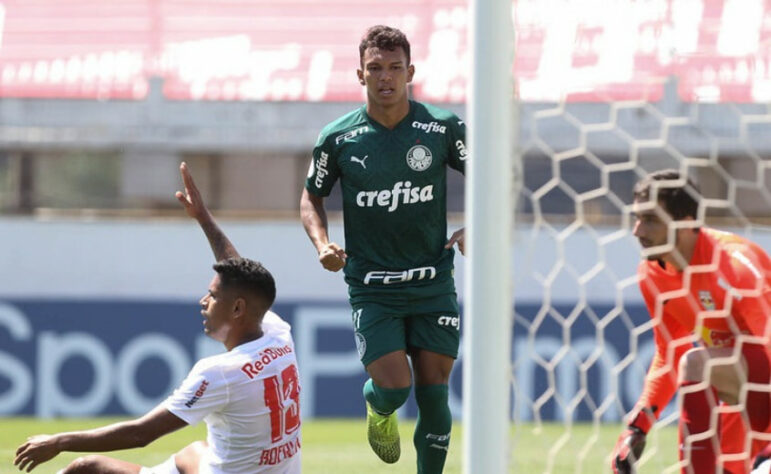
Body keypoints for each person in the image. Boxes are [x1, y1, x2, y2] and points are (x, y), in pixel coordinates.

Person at [14, 163, 301, 474]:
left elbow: (142, 434)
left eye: (213, 296)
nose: (203, 302)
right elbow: (237, 271)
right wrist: (203, 218)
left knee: (86, 467)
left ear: (237, 309)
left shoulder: (220, 373)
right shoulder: (277, 333)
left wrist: (59, 441)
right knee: (196, 450)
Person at [299, 25, 466, 474]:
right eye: (375, 68)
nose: (385, 77)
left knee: (434, 390)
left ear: (410, 71)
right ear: (360, 74)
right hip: (373, 286)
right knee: (394, 387)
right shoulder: (339, 138)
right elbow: (311, 197)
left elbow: (492, 174)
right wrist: (322, 245)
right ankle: (379, 407)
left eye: (395, 68)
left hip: (433, 281)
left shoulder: (442, 127)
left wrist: (478, 227)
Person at [612, 169, 771, 474]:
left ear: (685, 223)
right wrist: (639, 424)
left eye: (651, 220)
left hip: (763, 375)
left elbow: (767, 348)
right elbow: (669, 353)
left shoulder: (734, 263)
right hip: (741, 387)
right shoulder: (652, 275)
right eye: (637, 218)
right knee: (726, 467)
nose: (637, 230)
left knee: (697, 364)